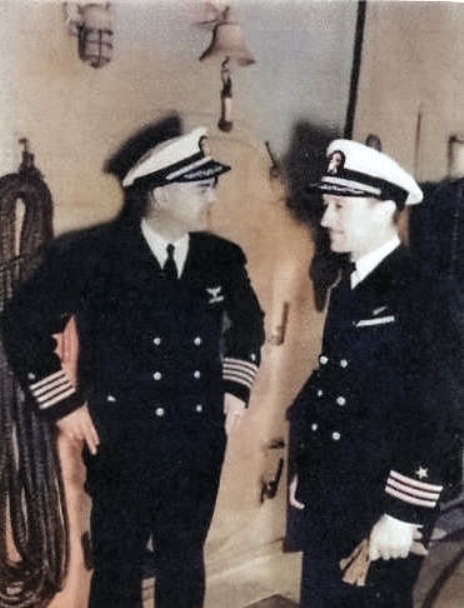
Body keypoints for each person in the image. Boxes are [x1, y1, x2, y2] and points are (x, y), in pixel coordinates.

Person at [1, 122, 265, 608]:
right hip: (124, 443)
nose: (213, 199)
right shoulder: (92, 256)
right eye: (202, 187)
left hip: (196, 442)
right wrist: (65, 404)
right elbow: (21, 324)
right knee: (118, 570)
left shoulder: (221, 258)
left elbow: (250, 324)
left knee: (183, 567)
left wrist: (235, 386)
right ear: (162, 194)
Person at [287, 138, 459, 608]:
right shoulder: (351, 285)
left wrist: (404, 511)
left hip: (380, 501)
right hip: (333, 493)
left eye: (339, 206)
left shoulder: (424, 291)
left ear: (383, 208)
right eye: (326, 204)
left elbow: (439, 408)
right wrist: (310, 471)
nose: (325, 219)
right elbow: (335, 387)